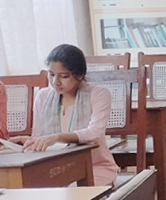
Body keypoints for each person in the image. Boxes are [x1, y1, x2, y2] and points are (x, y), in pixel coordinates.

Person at [9, 44, 119, 187]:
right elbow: (39, 137)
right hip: (54, 169)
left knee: (70, 197)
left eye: (64, 76)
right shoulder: (43, 97)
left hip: (95, 167)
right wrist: (28, 141)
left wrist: (57, 137)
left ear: (79, 75)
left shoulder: (99, 94)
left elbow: (94, 134)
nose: (56, 82)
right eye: (52, 74)